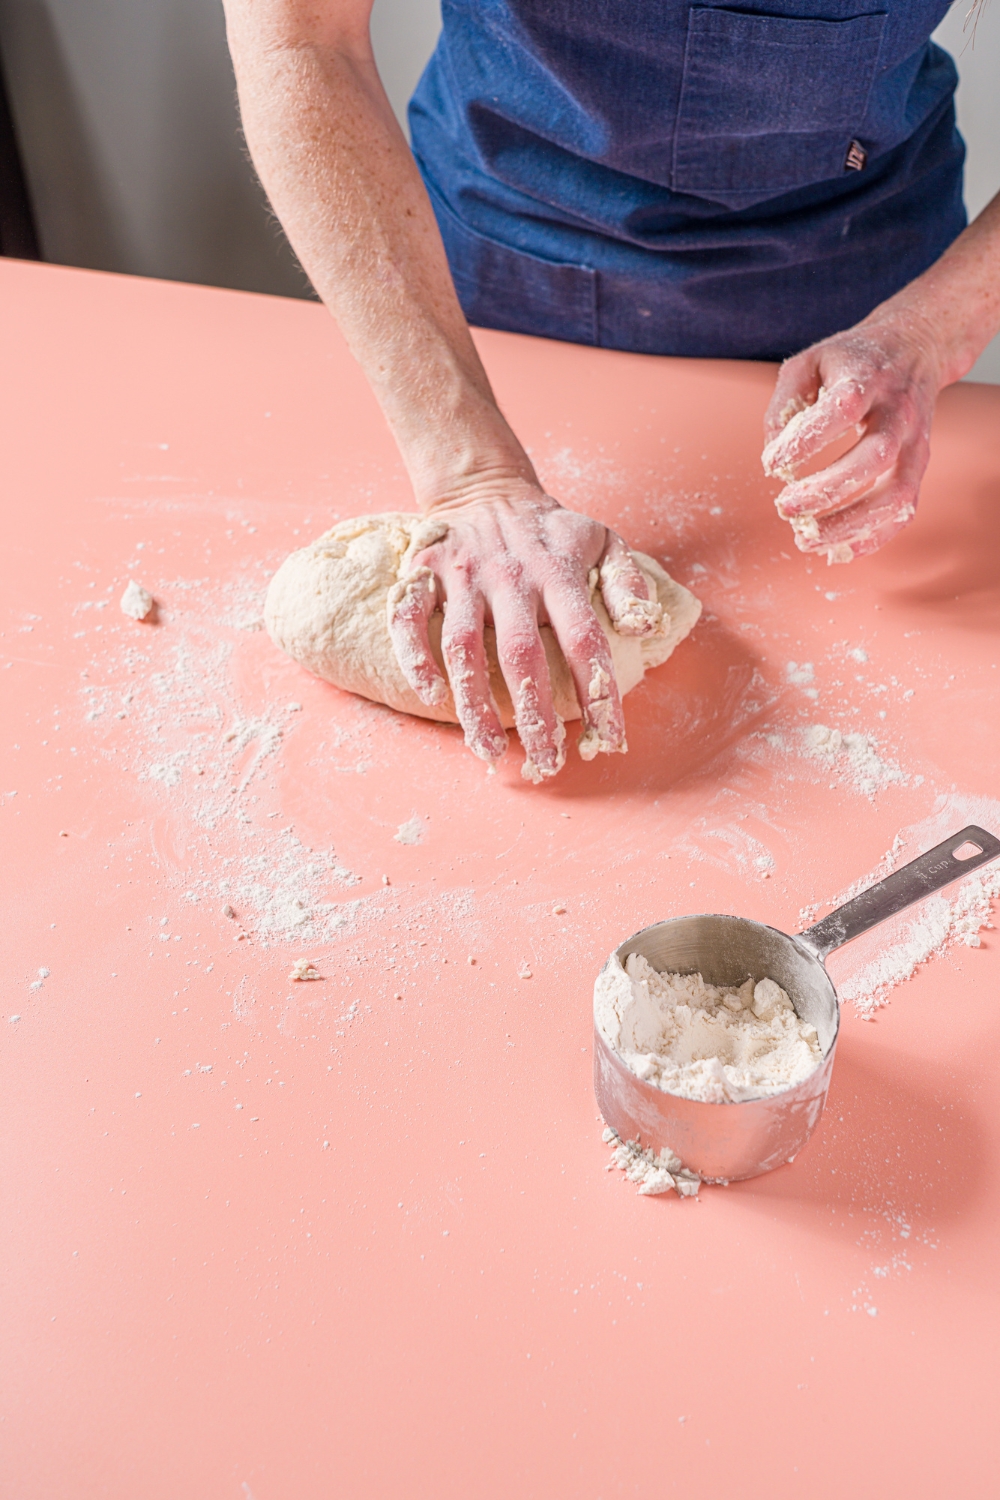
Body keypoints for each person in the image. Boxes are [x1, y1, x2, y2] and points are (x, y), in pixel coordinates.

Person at [223, 0, 1000, 778]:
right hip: (502, 256)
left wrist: (932, 330)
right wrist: (472, 476)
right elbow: (300, 39)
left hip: (864, 270)